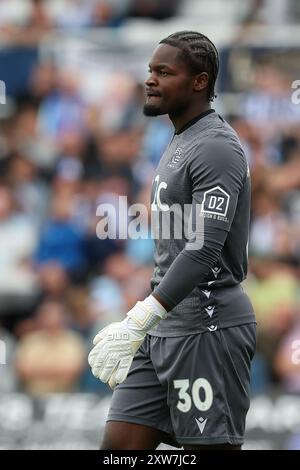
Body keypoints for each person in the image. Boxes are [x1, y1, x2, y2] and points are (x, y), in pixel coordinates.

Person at [88, 30, 256, 450]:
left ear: (199, 82)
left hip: (208, 326)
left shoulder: (217, 147)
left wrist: (140, 317)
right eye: (150, 71)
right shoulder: (181, 138)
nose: (150, 80)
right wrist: (148, 322)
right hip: (163, 329)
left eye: (164, 72)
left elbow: (204, 248)